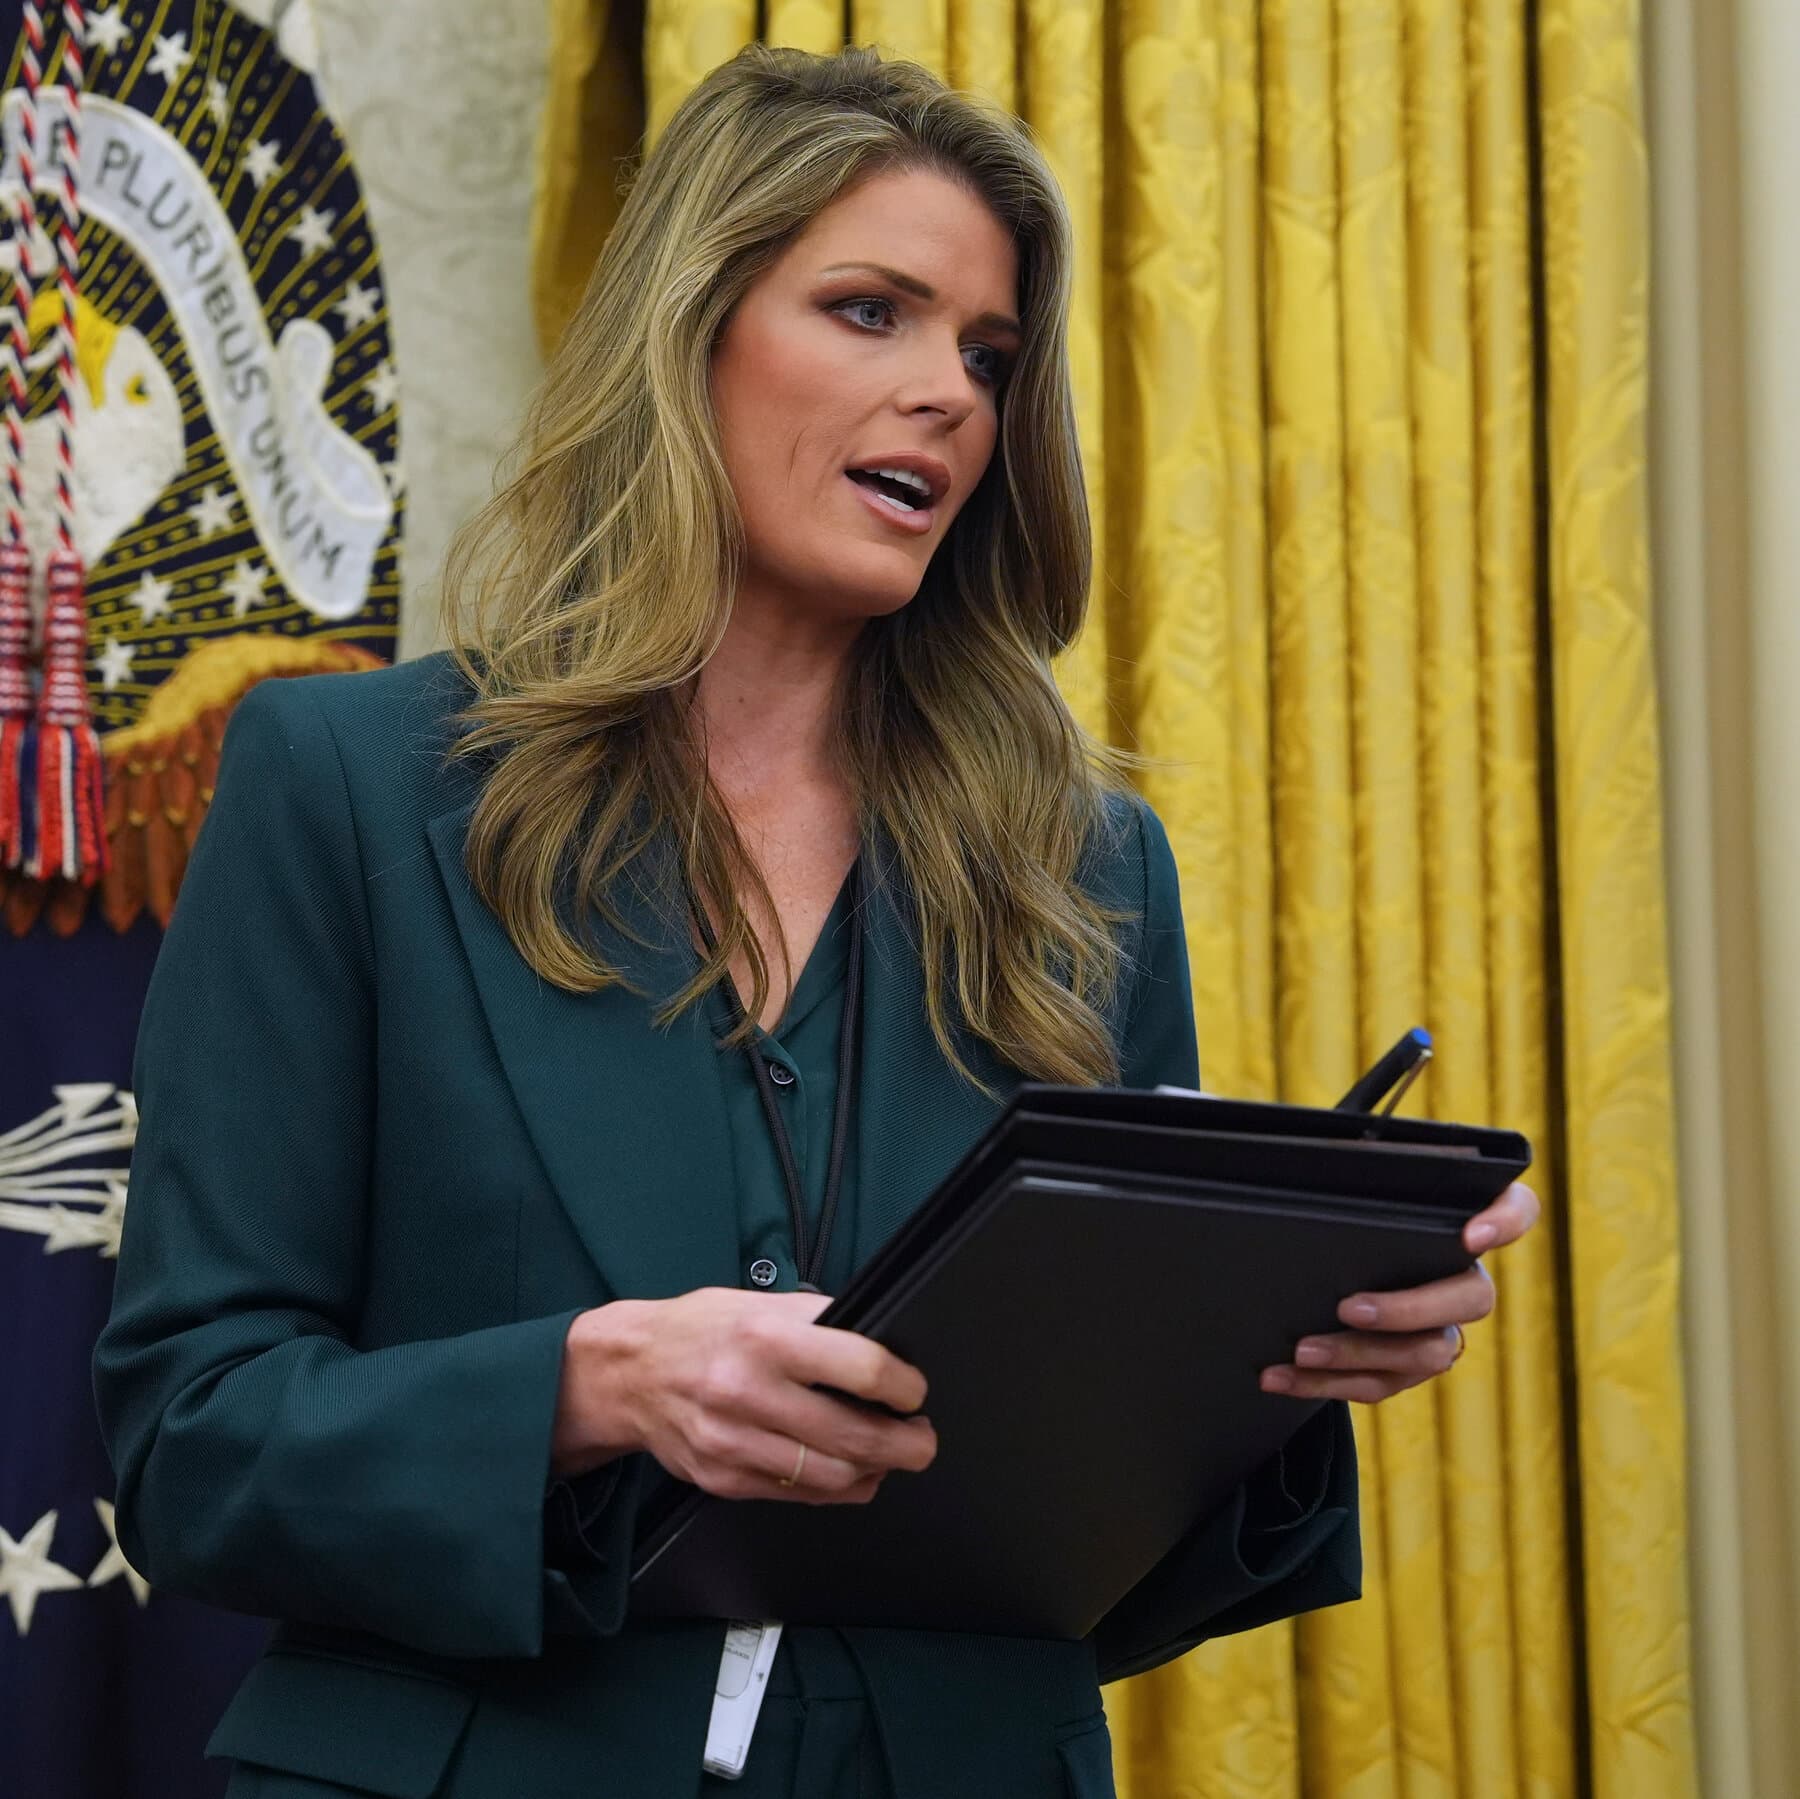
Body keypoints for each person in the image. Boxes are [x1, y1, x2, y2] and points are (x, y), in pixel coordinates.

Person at [93, 42, 1539, 1799]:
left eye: (988, 356)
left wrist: (1278, 1375)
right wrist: (588, 1383)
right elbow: (191, 1443)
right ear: (686, 332)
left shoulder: (1090, 865)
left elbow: (1093, 1564)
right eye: (873, 311)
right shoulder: (343, 783)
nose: (950, 391)